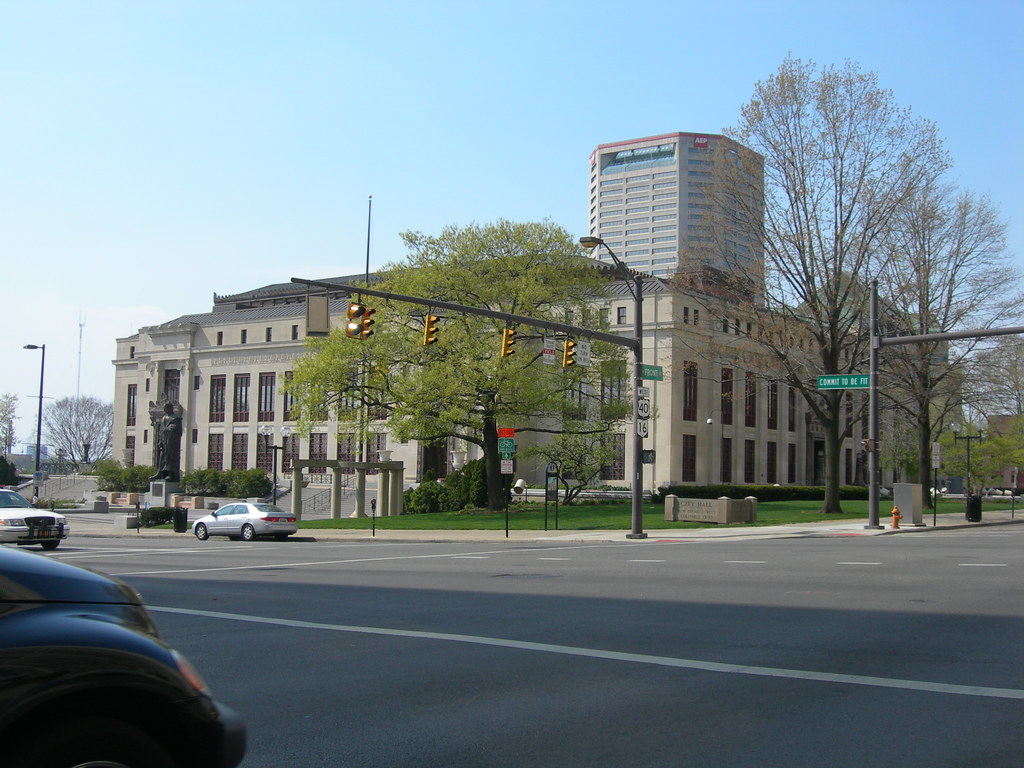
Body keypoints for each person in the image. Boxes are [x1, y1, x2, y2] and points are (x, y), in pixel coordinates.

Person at [150, 403, 183, 482]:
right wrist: (160, 440)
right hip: (164, 441)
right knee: (162, 458)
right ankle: (160, 473)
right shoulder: (164, 418)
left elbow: (177, 429)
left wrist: (169, 429)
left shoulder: (176, 418)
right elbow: (161, 430)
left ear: (170, 408)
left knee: (170, 458)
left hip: (171, 443)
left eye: (166, 408)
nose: (165, 410)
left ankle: (171, 474)